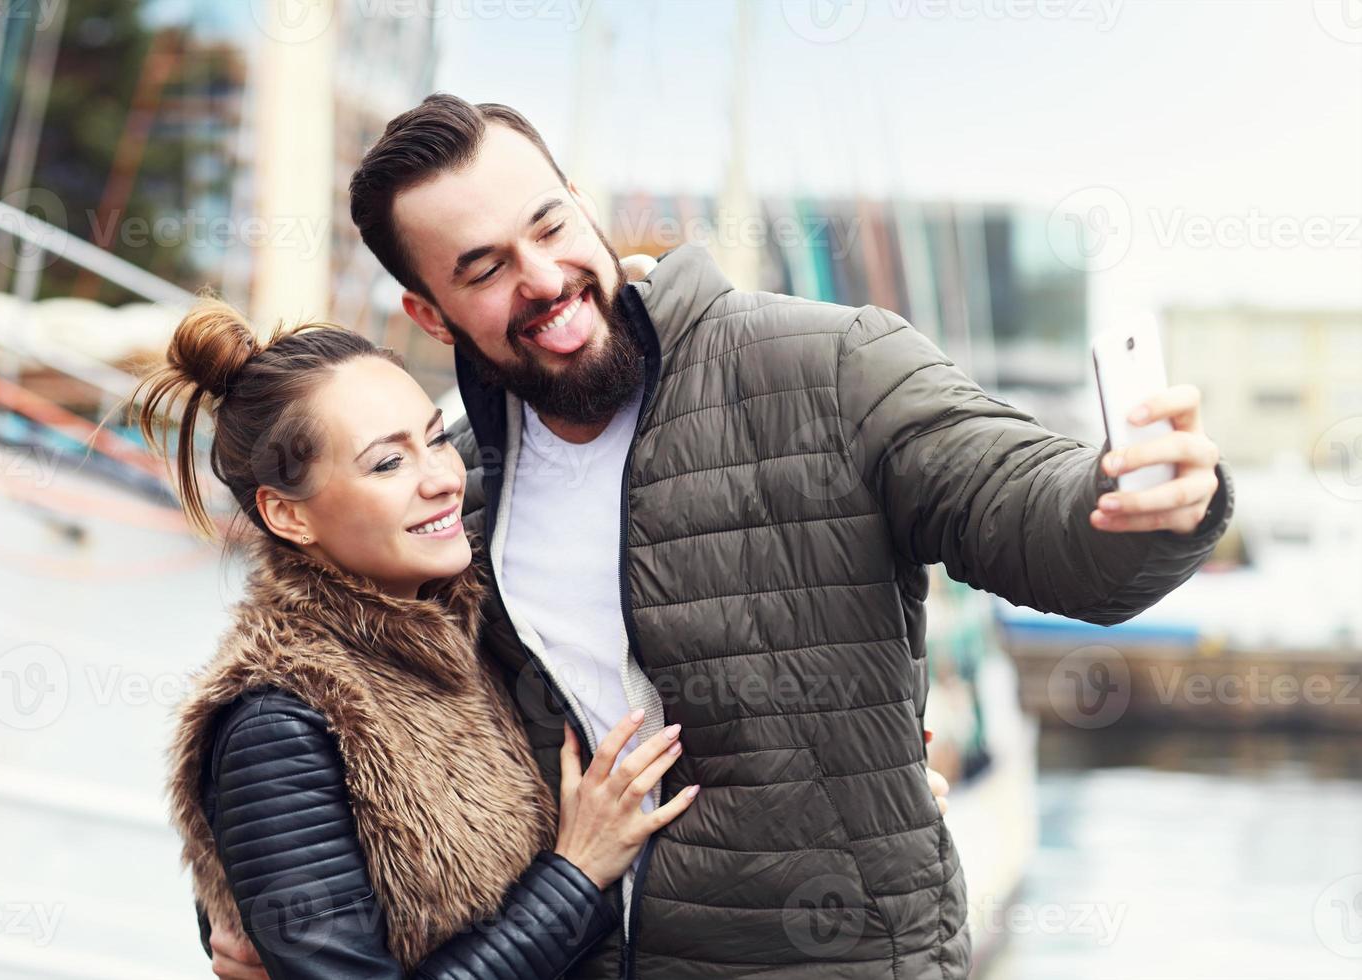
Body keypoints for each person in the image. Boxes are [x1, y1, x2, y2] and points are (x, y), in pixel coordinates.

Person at [218, 93, 1233, 979]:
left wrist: (1140, 505)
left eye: (550, 224)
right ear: (431, 315)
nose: (543, 277)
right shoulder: (453, 497)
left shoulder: (828, 363)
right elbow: (332, 726)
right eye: (483, 268)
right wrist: (268, 915)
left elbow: (1026, 513)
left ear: (584, 206)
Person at [128, 299, 704, 979]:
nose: (442, 478)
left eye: (434, 439)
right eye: (386, 465)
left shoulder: (464, 627)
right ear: (288, 515)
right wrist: (576, 877)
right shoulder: (279, 720)